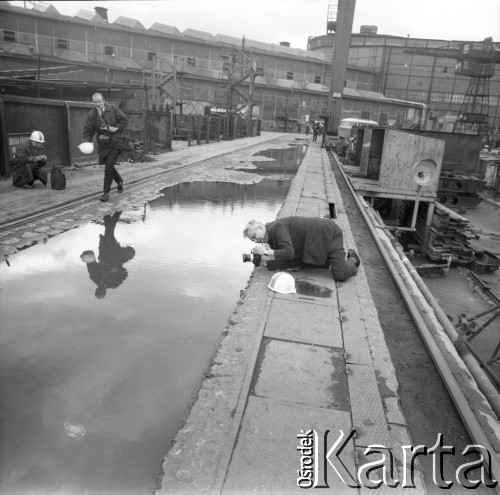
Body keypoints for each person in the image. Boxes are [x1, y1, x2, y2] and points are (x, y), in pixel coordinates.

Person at [243, 216, 360, 282]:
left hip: (331, 235)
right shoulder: (271, 238)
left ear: (260, 227)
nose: (255, 240)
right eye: (252, 240)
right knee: (315, 265)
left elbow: (288, 253)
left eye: (254, 236)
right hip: (316, 243)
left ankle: (353, 259)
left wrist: (265, 252)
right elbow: (290, 258)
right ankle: (330, 259)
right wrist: (267, 263)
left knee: (340, 275)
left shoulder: (276, 227)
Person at [83, 92, 129, 202]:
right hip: (103, 144)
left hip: (115, 142)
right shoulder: (91, 115)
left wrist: (117, 128)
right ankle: (119, 181)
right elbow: (88, 130)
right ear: (93, 103)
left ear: (103, 101)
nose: (98, 104)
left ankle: (106, 193)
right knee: (109, 167)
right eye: (95, 102)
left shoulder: (113, 109)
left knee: (108, 168)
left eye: (99, 101)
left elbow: (124, 120)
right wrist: (86, 142)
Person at [80, 211, 135, 299]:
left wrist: (86, 258)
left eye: (98, 291)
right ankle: (110, 213)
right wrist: (116, 270)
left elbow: (91, 265)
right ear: (105, 292)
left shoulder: (95, 278)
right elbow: (125, 274)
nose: (100, 290)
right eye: (101, 292)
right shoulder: (114, 284)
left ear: (96, 289)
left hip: (104, 253)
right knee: (109, 235)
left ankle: (113, 213)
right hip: (116, 255)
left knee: (108, 233)